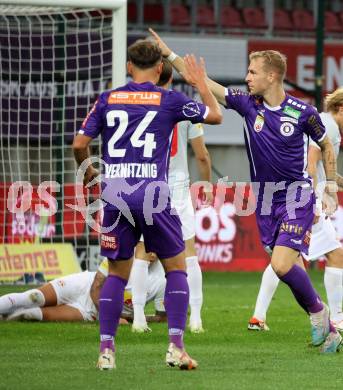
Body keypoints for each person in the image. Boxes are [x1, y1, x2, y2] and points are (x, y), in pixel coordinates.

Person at [149, 28, 341, 353]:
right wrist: (170, 56)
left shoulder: (303, 112)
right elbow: (205, 83)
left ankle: (322, 318)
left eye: (253, 72)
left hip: (296, 197)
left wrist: (330, 187)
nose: (247, 77)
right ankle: (323, 319)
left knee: (281, 265)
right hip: (265, 202)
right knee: (287, 267)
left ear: (272, 75)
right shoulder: (247, 104)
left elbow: (325, 143)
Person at [72, 39, 222, 370]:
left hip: (115, 193)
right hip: (154, 193)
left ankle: (106, 352)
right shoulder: (169, 100)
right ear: (159, 68)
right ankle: (175, 347)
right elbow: (216, 116)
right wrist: (199, 84)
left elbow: (80, 143)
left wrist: (91, 177)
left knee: (117, 274)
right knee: (177, 267)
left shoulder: (108, 99)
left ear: (129, 67)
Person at [248, 87, 343, 332]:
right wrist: (314, 199)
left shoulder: (324, 122)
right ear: (341, 108)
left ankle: (258, 316)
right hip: (304, 198)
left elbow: (319, 168)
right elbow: (311, 164)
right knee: (334, 255)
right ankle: (334, 318)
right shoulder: (329, 127)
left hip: (296, 195)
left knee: (285, 258)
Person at [130, 59, 212, 334]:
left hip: (147, 185)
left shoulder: (136, 105)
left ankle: (139, 318)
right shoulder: (183, 106)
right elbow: (201, 154)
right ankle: (196, 318)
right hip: (177, 187)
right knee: (189, 253)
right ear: (171, 78)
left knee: (142, 252)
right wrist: (207, 183)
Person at [0, 259, 166, 323]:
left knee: (31, 315)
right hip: (83, 286)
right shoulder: (123, 252)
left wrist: (134, 319)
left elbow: (161, 318)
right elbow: (96, 288)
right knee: (33, 297)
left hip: (90, 312)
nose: (151, 253)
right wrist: (113, 318)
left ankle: (5, 318)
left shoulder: (162, 280)